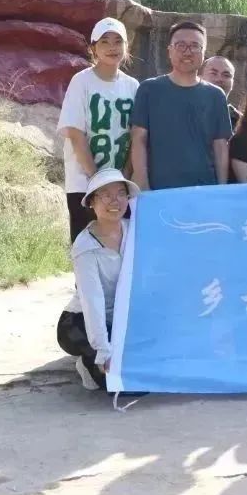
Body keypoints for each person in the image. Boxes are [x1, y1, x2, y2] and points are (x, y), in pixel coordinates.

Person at [56, 167, 140, 391]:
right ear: (92, 202)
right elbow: (92, 301)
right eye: (106, 195)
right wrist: (102, 350)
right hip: (81, 321)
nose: (115, 201)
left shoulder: (135, 231)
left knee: (144, 374)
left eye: (121, 193)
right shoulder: (85, 247)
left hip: (121, 318)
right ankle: (88, 363)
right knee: (122, 386)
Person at [56, 17, 139, 243]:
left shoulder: (133, 86)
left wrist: (125, 177)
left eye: (118, 41)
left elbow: (135, 136)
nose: (112, 47)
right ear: (93, 48)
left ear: (126, 46)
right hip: (84, 184)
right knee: (87, 244)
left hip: (120, 185)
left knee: (122, 246)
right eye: (104, 41)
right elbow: (75, 133)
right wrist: (97, 180)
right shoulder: (81, 82)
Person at [129, 21, 232, 190]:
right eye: (180, 45)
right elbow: (139, 139)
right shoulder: (149, 89)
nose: (187, 52)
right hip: (158, 190)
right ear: (169, 51)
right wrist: (143, 183)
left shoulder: (216, 96)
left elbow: (220, 147)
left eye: (195, 46)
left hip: (204, 189)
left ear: (204, 53)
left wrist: (221, 189)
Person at [201, 55, 241, 130]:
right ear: (200, 78)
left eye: (226, 75)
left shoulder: (242, 124)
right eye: (213, 73)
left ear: (233, 83)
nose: (219, 79)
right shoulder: (183, 113)